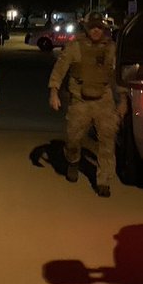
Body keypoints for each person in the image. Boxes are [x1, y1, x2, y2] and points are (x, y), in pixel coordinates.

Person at [47, 12, 128, 197]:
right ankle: (73, 161)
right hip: (80, 100)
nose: (96, 31)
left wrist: (123, 100)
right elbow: (60, 68)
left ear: (104, 29)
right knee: (73, 139)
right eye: (93, 27)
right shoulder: (75, 46)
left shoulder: (111, 48)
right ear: (87, 28)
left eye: (99, 27)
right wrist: (54, 91)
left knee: (107, 141)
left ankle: (103, 180)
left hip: (104, 100)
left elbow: (118, 76)